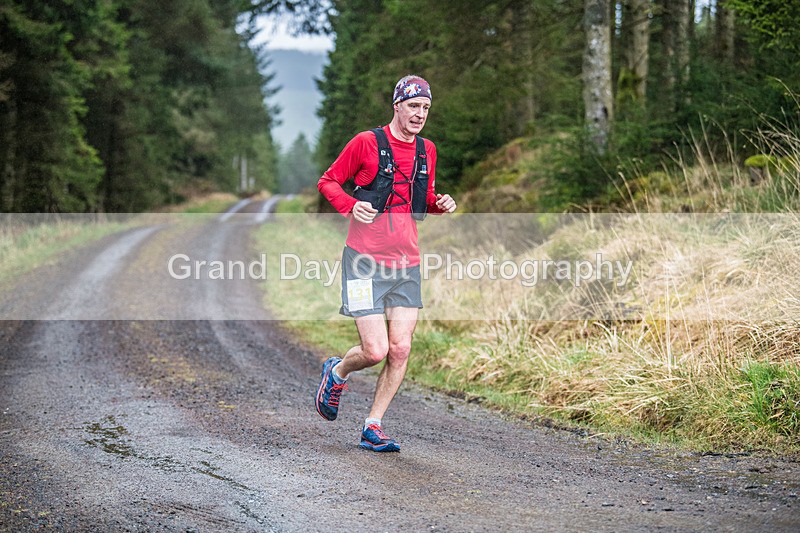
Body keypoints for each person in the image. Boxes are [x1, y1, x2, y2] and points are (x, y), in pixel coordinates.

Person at [315, 74, 457, 452]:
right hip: (363, 263)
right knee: (375, 351)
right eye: (413, 106)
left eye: (426, 107)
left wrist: (439, 204)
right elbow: (328, 181)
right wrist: (351, 205)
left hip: (406, 264)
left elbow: (419, 200)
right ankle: (337, 371)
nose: (420, 114)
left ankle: (373, 425)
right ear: (397, 106)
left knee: (400, 348)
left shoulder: (427, 150)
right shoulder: (366, 143)